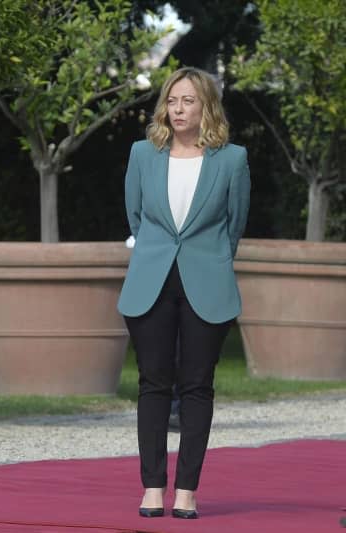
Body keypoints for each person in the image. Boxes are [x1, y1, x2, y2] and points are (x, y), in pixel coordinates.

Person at [117, 67, 250, 520]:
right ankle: (153, 486)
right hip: (150, 282)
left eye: (188, 101)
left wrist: (208, 258)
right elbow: (136, 218)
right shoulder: (142, 154)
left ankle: (186, 491)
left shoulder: (232, 160)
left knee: (197, 387)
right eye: (172, 101)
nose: (178, 109)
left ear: (206, 106)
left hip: (206, 283)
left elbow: (234, 226)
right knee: (153, 385)